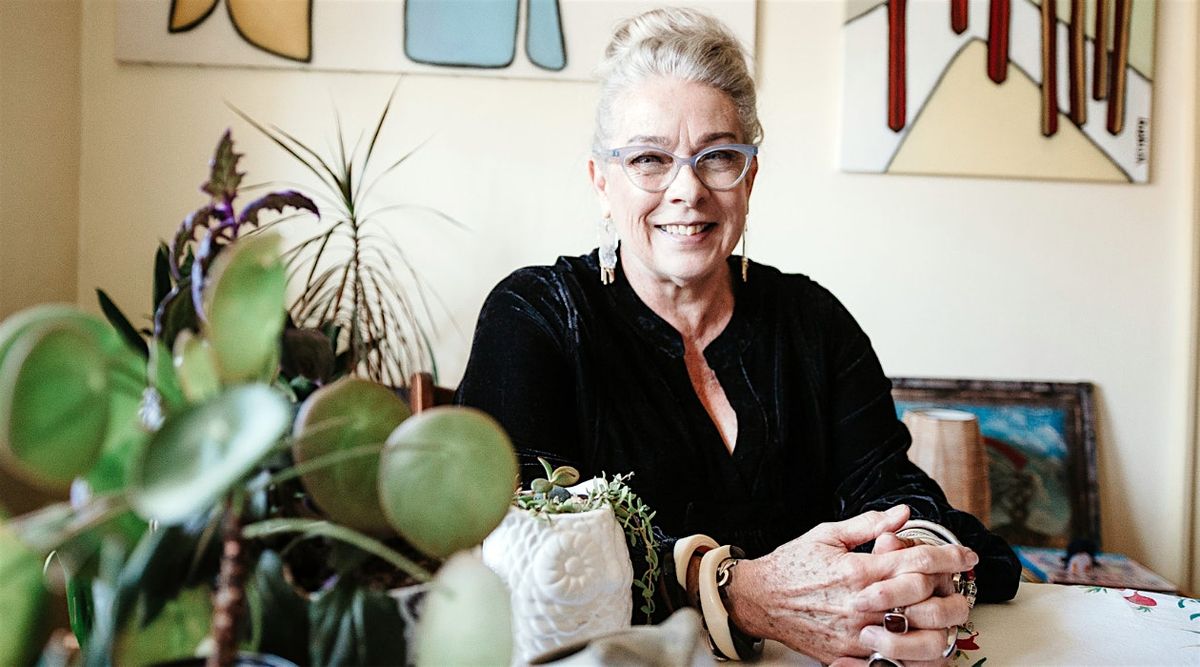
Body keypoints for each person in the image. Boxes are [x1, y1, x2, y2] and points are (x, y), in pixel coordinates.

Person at [457, 7, 1020, 665]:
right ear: (601, 183)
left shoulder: (814, 321)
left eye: (718, 157)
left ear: (749, 178)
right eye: (649, 159)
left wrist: (911, 561)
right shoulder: (535, 315)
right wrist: (733, 590)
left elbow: (889, 484)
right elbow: (519, 542)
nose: (687, 190)